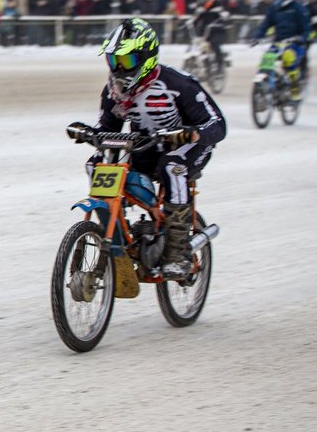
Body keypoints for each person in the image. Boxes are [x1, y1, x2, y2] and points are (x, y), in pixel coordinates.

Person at [70, 18, 226, 279]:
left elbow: (218, 124)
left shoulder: (179, 84)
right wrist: (89, 134)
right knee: (96, 164)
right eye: (113, 61)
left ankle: (178, 254)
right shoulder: (114, 91)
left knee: (172, 168)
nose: (119, 69)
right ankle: (115, 232)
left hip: (188, 148)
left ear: (146, 57)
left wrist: (193, 133)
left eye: (127, 61)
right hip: (145, 147)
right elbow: (108, 127)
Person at [250, 0, 311, 99]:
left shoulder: (298, 8)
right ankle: (265, 86)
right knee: (267, 57)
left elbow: (306, 27)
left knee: (289, 58)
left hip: (295, 43)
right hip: (278, 42)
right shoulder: (274, 9)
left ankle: (295, 87)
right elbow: (265, 25)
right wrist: (257, 37)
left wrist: (302, 38)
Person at [191, 0, 229, 71]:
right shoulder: (200, 7)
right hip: (204, 33)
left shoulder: (219, 4)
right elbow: (195, 20)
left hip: (217, 31)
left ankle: (219, 67)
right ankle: (202, 67)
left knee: (215, 45)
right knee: (198, 46)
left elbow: (225, 15)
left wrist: (223, 16)